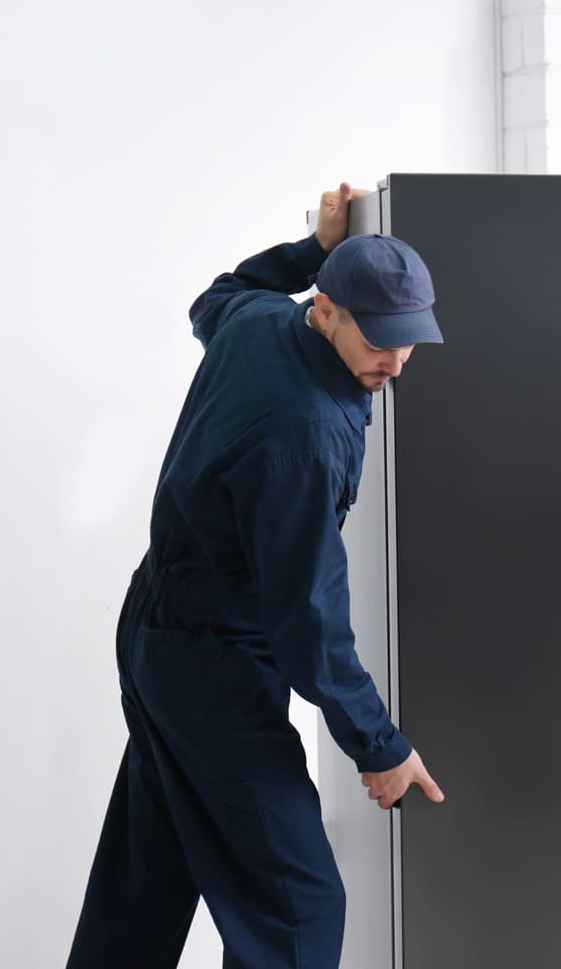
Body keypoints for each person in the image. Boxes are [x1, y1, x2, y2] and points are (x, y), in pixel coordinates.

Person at [67, 183, 446, 969]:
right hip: (214, 664)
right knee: (297, 911)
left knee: (149, 879)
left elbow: (219, 296)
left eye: (410, 340)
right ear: (327, 310)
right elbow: (308, 619)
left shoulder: (259, 320)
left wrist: (311, 250)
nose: (396, 361)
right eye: (380, 339)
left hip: (158, 635)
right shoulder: (305, 436)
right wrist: (377, 746)